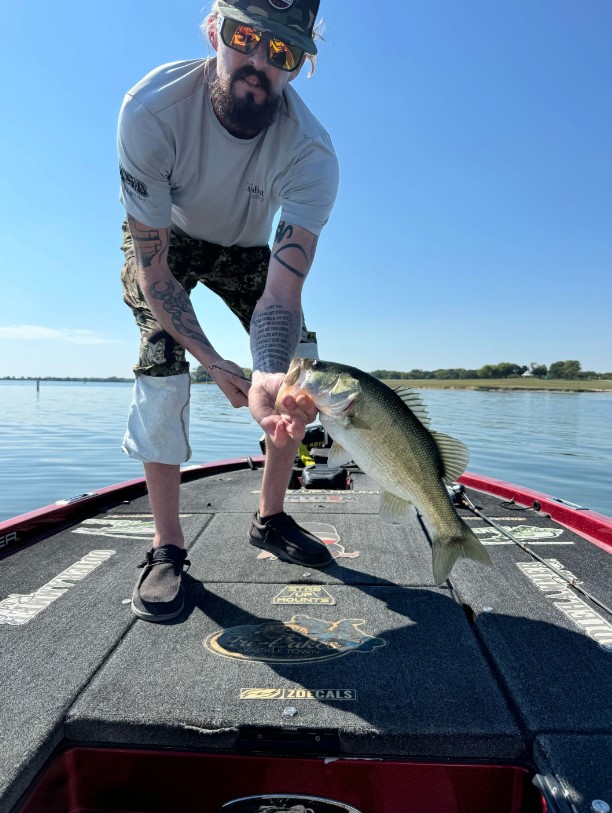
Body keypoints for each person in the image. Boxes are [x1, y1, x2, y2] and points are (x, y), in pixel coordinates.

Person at [117, 0, 339, 622]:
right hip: (168, 237)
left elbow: (281, 293)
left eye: (283, 52)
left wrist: (267, 372)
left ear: (298, 67)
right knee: (161, 358)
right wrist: (213, 363)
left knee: (300, 366)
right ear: (214, 30)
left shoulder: (312, 154)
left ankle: (270, 517)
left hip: (246, 246)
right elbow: (153, 271)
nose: (259, 61)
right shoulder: (151, 111)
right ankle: (167, 549)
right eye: (246, 36)